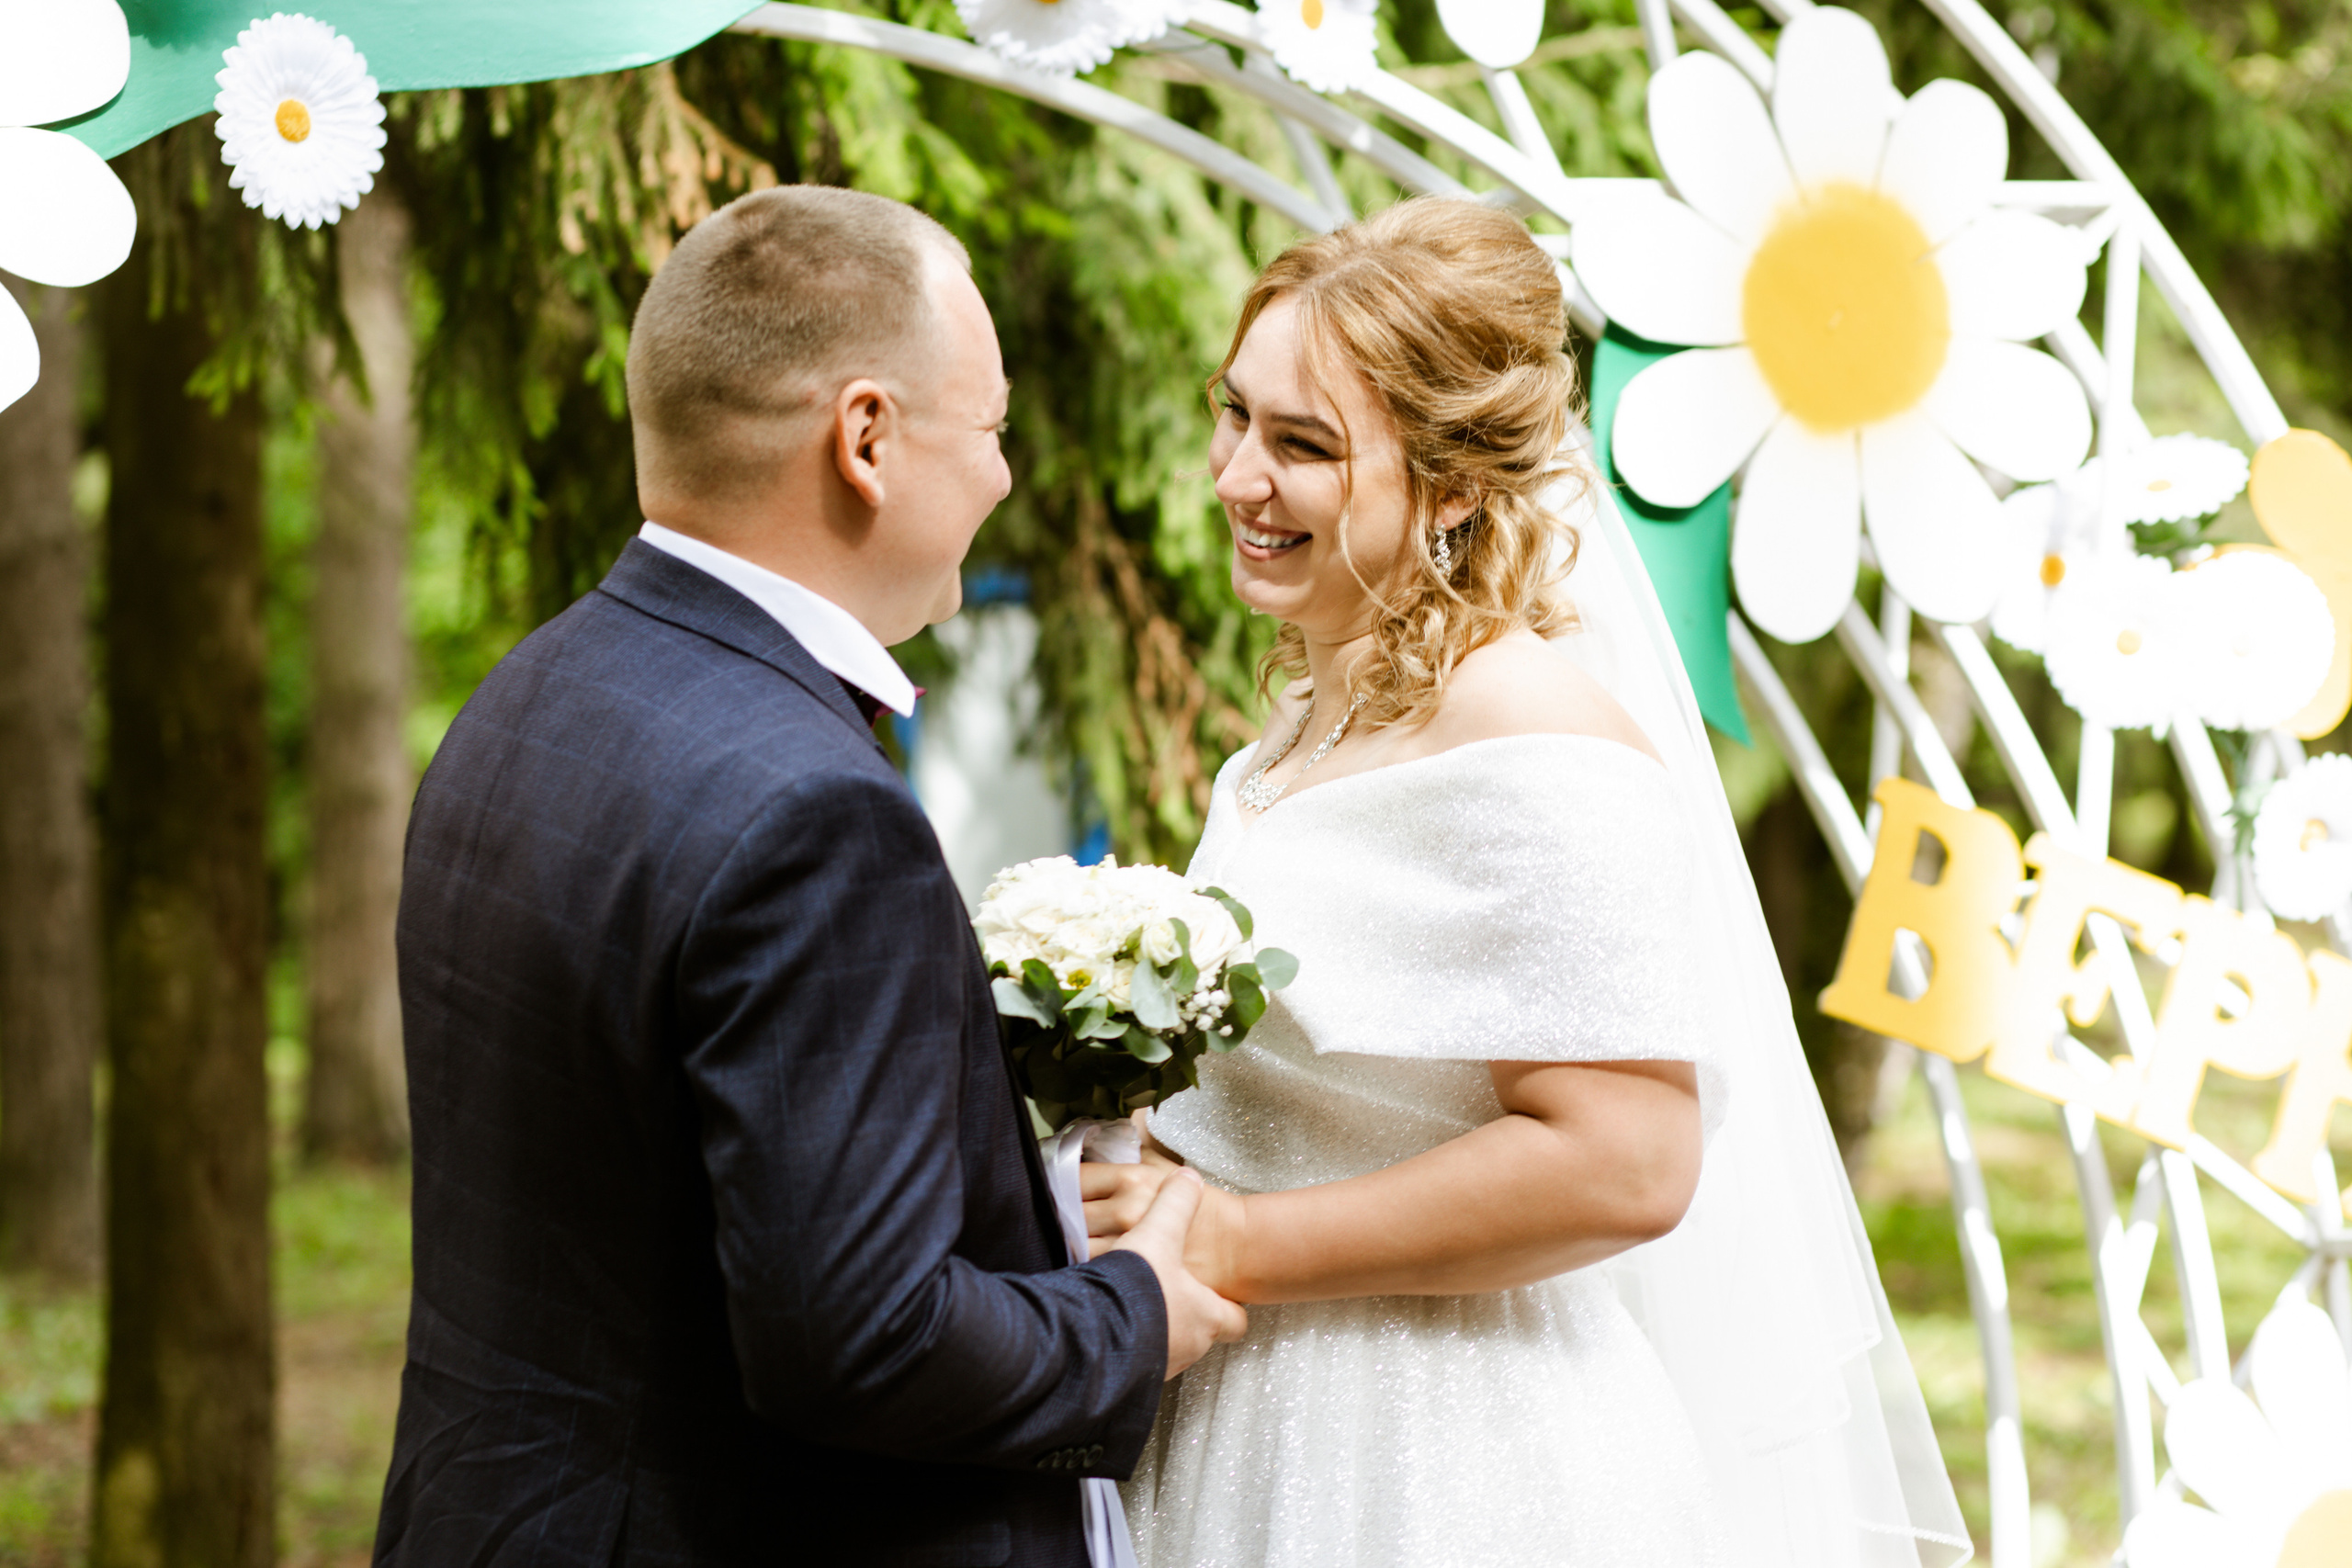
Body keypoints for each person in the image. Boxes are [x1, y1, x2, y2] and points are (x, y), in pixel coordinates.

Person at [1083, 198, 1971, 1567]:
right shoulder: (1301, 729)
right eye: (1236, 414)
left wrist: (1239, 1240)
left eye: (1303, 446)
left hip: (1437, 1458)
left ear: (1451, 492)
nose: (1238, 476)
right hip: (1250, 1417)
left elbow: (1626, 1160)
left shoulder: (1533, 731)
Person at [374, 186, 1245, 1568]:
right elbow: (864, 1343)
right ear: (867, 440)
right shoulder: (816, 813)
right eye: (994, 427)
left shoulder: (529, 695)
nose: (1007, 478)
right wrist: (1137, 1310)